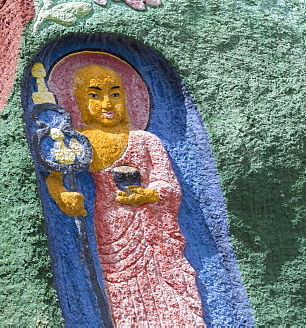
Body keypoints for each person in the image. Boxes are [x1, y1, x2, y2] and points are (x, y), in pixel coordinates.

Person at [46, 64, 204, 326]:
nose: (107, 103)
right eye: (95, 95)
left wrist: (150, 194)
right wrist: (62, 195)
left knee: (169, 283)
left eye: (116, 94)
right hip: (111, 228)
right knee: (121, 292)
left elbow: (170, 184)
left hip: (152, 229)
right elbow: (55, 173)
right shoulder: (79, 143)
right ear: (78, 101)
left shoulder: (145, 140)